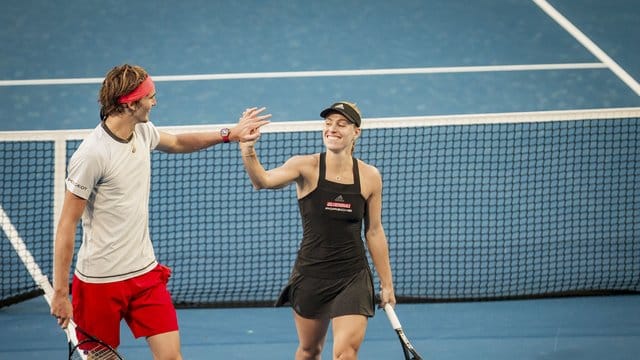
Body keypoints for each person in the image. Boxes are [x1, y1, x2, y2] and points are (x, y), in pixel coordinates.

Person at [49, 64, 270, 359]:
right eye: (150, 97)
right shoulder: (92, 155)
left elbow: (177, 142)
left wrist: (230, 133)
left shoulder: (142, 131)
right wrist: (62, 293)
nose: (155, 102)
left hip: (144, 275)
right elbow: (67, 224)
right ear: (129, 103)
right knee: (103, 358)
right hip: (100, 282)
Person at [239, 102, 396, 360]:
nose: (332, 129)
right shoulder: (305, 166)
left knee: (346, 353)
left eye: (341, 124)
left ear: (356, 132)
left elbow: (375, 232)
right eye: (328, 123)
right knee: (310, 351)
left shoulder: (370, 176)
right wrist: (248, 148)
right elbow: (262, 181)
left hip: (352, 276)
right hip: (312, 274)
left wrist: (387, 284)